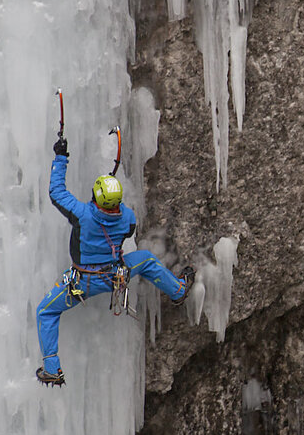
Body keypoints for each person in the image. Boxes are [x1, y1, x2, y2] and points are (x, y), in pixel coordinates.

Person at [35, 132, 193, 386]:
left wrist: (61, 157)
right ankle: (178, 290)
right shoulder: (127, 218)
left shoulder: (82, 214)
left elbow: (57, 192)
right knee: (145, 259)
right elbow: (124, 226)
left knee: (45, 311)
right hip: (113, 277)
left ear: (96, 197)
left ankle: (52, 367)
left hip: (80, 283)